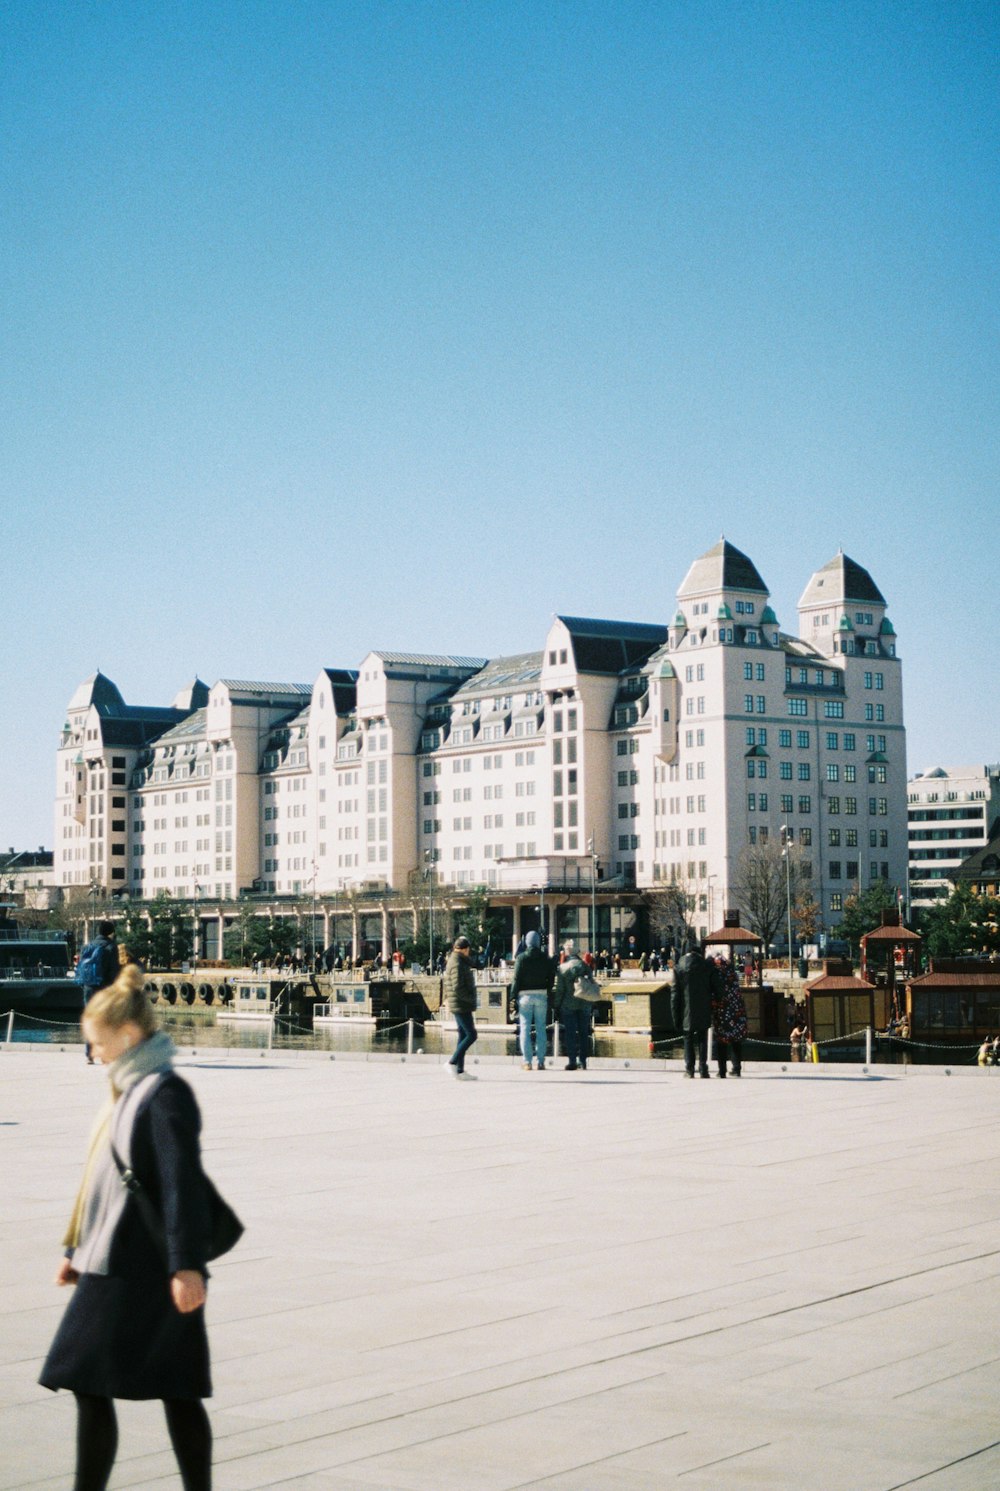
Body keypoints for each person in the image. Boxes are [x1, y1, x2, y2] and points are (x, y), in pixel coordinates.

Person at [40, 962, 214, 1491]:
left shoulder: (163, 1093)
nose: (92, 1053)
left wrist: (186, 1266)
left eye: (96, 1042)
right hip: (118, 1256)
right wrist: (76, 1244)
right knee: (152, 1385)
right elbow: (103, 1177)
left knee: (99, 1376)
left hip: (143, 1265)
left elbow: (181, 1181)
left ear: (128, 1035)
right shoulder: (130, 1086)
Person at [671, 938, 722, 1078]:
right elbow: (717, 987)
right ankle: (703, 1068)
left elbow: (674, 994)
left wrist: (675, 1016)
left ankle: (689, 1069)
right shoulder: (707, 966)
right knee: (702, 1038)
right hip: (704, 1006)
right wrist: (717, 1001)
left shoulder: (678, 967)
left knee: (687, 1038)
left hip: (686, 1008)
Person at [76, 919, 120, 1065]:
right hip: (104, 987)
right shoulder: (111, 947)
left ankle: (89, 1054)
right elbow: (114, 971)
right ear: (111, 932)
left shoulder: (88, 946)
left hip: (88, 987)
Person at [510, 930, 554, 1070]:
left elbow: (516, 979)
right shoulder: (545, 958)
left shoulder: (521, 958)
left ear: (526, 942)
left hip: (525, 996)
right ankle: (541, 1061)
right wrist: (547, 989)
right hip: (541, 994)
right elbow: (551, 977)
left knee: (525, 1029)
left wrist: (512, 996)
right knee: (541, 1029)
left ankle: (527, 1061)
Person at [553, 940, 592, 1072]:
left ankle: (572, 1061)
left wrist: (556, 1005)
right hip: (584, 1002)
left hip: (568, 1004)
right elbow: (591, 983)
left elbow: (560, 990)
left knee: (570, 1033)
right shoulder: (585, 966)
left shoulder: (563, 968)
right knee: (583, 1033)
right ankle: (583, 1061)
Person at [444, 936, 478, 1080]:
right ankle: (452, 1062)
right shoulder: (457, 963)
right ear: (465, 949)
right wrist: (470, 999)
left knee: (463, 1035)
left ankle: (460, 1070)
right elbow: (458, 987)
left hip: (460, 1003)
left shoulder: (459, 961)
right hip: (460, 1004)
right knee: (471, 1035)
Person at [712, 955, 749, 1078]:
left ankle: (722, 1070)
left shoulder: (717, 975)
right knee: (736, 1040)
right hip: (737, 1011)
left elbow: (715, 993)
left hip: (722, 1012)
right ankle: (736, 1068)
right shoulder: (733, 975)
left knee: (721, 1041)